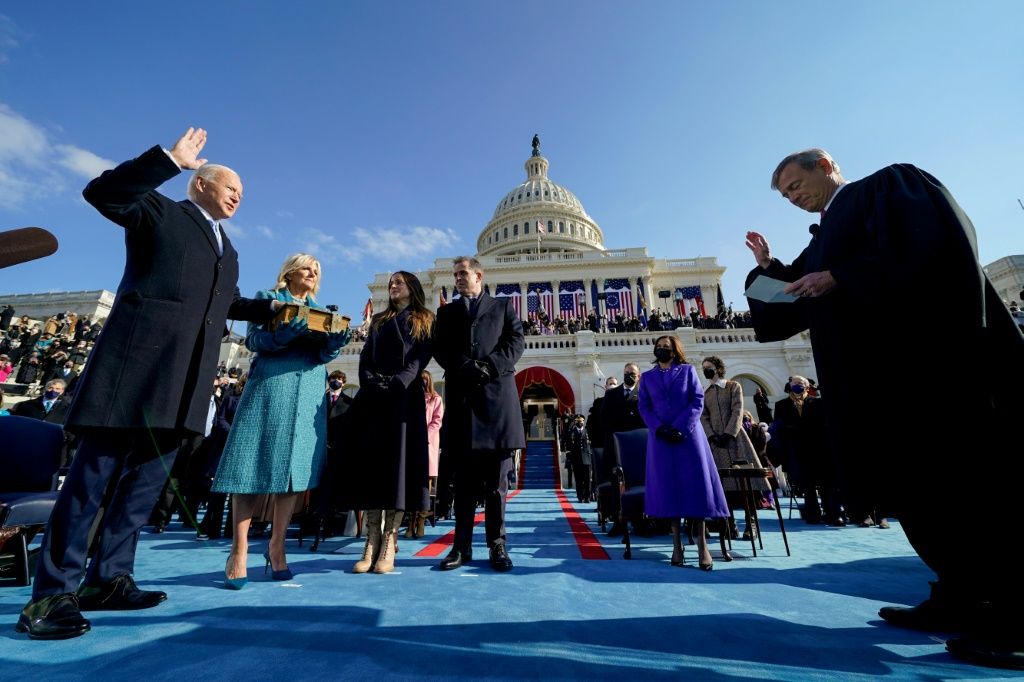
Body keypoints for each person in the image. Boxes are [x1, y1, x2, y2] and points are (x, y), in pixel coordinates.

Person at [746, 148, 1024, 669]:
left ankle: (1014, 616)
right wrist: (771, 272)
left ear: (824, 163)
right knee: (920, 497)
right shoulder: (823, 239)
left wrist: (842, 277)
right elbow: (789, 308)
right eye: (784, 195)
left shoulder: (890, 187)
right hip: (877, 391)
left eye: (794, 183)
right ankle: (959, 597)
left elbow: (937, 248)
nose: (793, 196)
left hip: (929, 375)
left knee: (968, 493)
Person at [16, 128, 280, 640]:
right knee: (90, 485)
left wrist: (270, 309)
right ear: (200, 183)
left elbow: (223, 305)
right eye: (230, 186)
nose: (238, 196)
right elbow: (103, 192)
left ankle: (109, 579)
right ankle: (51, 593)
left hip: (183, 385)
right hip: (132, 375)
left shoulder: (230, 250)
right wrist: (168, 160)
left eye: (242, 193)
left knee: (140, 491)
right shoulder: (159, 211)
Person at [212, 253, 351, 588]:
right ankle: (239, 550)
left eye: (317, 270)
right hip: (272, 383)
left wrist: (333, 346)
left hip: (307, 388)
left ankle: (277, 546)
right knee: (250, 463)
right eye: (307, 268)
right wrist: (281, 337)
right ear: (289, 273)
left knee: (293, 470)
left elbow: (323, 354)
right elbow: (255, 340)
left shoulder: (323, 311)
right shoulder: (268, 300)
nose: (312, 274)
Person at [433, 256, 526, 572]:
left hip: (497, 403)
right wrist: (464, 366)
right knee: (463, 486)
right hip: (462, 405)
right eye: (455, 274)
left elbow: (516, 341)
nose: (459, 278)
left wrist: (490, 366)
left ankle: (497, 545)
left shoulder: (502, 307)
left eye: (464, 273)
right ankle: (461, 546)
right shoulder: (446, 313)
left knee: (497, 486)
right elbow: (441, 348)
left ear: (478, 276)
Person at [345, 271, 432, 574]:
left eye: (399, 283)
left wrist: (397, 383)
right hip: (374, 401)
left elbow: (420, 359)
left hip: (404, 401)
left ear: (412, 288)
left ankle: (389, 541)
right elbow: (365, 359)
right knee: (373, 469)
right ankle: (370, 540)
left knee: (398, 471)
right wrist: (371, 383)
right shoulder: (379, 320)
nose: (393, 287)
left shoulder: (424, 319)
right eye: (390, 283)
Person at [638, 335, 729, 571]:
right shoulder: (647, 377)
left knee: (694, 487)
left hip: (688, 436)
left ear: (675, 350)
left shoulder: (687, 371)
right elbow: (644, 406)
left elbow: (697, 400)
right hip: (661, 439)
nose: (661, 350)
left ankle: (702, 547)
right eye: (658, 347)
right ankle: (676, 545)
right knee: (669, 489)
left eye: (666, 347)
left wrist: (681, 427)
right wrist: (659, 428)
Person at [700, 355, 767, 540]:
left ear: (718, 368)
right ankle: (729, 524)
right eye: (704, 367)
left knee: (747, 483)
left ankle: (751, 522)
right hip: (716, 443)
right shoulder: (706, 393)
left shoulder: (733, 386)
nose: (707, 370)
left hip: (736, 439)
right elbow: (703, 417)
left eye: (709, 366)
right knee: (723, 484)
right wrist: (712, 435)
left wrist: (729, 433)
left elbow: (738, 410)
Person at [405, 368, 444, 539]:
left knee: (425, 489)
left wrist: (423, 434)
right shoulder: (411, 399)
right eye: (420, 379)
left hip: (428, 446)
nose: (423, 382)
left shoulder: (436, 399)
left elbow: (437, 422)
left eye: (425, 379)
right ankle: (411, 522)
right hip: (412, 447)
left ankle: (421, 521)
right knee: (411, 487)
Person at [565, 415, 592, 503]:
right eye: (578, 421)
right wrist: (569, 459)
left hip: (587, 458)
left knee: (587, 480)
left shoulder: (588, 431)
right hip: (576, 459)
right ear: (575, 422)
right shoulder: (570, 432)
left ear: (584, 421)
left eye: (581, 421)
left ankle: (587, 497)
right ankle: (580, 497)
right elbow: (568, 447)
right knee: (578, 479)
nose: (580, 423)